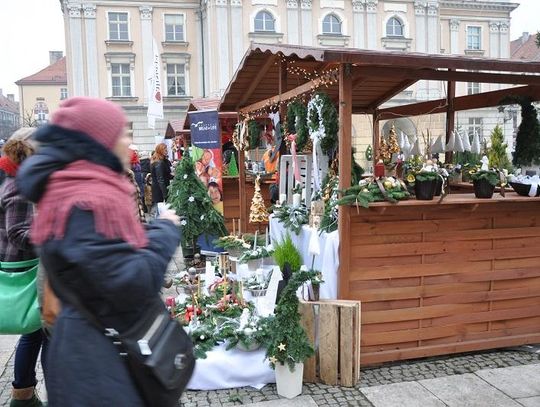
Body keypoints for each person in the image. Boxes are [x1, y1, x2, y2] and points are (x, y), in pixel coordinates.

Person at [16, 97, 182, 406]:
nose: (128, 140)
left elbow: (110, 261)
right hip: (96, 368)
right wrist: (166, 230)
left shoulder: (81, 190)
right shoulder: (84, 201)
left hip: (94, 350)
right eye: (121, 133)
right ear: (99, 143)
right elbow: (129, 282)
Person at [0, 129, 47, 407]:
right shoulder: (18, 187)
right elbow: (18, 233)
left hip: (26, 264)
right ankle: (23, 395)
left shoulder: (16, 181)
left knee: (36, 332)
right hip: (27, 268)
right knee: (37, 331)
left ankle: (24, 394)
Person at [150, 143, 172, 211]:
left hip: (160, 189)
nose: (166, 151)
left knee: (160, 211)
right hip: (160, 191)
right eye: (165, 150)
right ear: (160, 151)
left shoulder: (161, 161)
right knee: (161, 211)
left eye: (166, 149)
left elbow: (166, 175)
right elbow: (160, 179)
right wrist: (165, 195)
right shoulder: (159, 163)